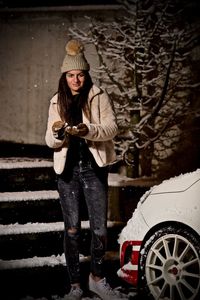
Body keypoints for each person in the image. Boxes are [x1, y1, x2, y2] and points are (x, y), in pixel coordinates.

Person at [45, 39, 126, 300]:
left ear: (85, 74)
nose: (76, 80)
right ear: (65, 76)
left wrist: (88, 130)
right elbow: (50, 140)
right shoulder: (56, 101)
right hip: (67, 172)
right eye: (70, 75)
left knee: (100, 228)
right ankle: (75, 285)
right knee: (72, 229)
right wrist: (58, 133)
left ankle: (97, 278)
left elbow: (112, 128)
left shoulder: (99, 96)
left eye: (80, 75)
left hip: (93, 169)